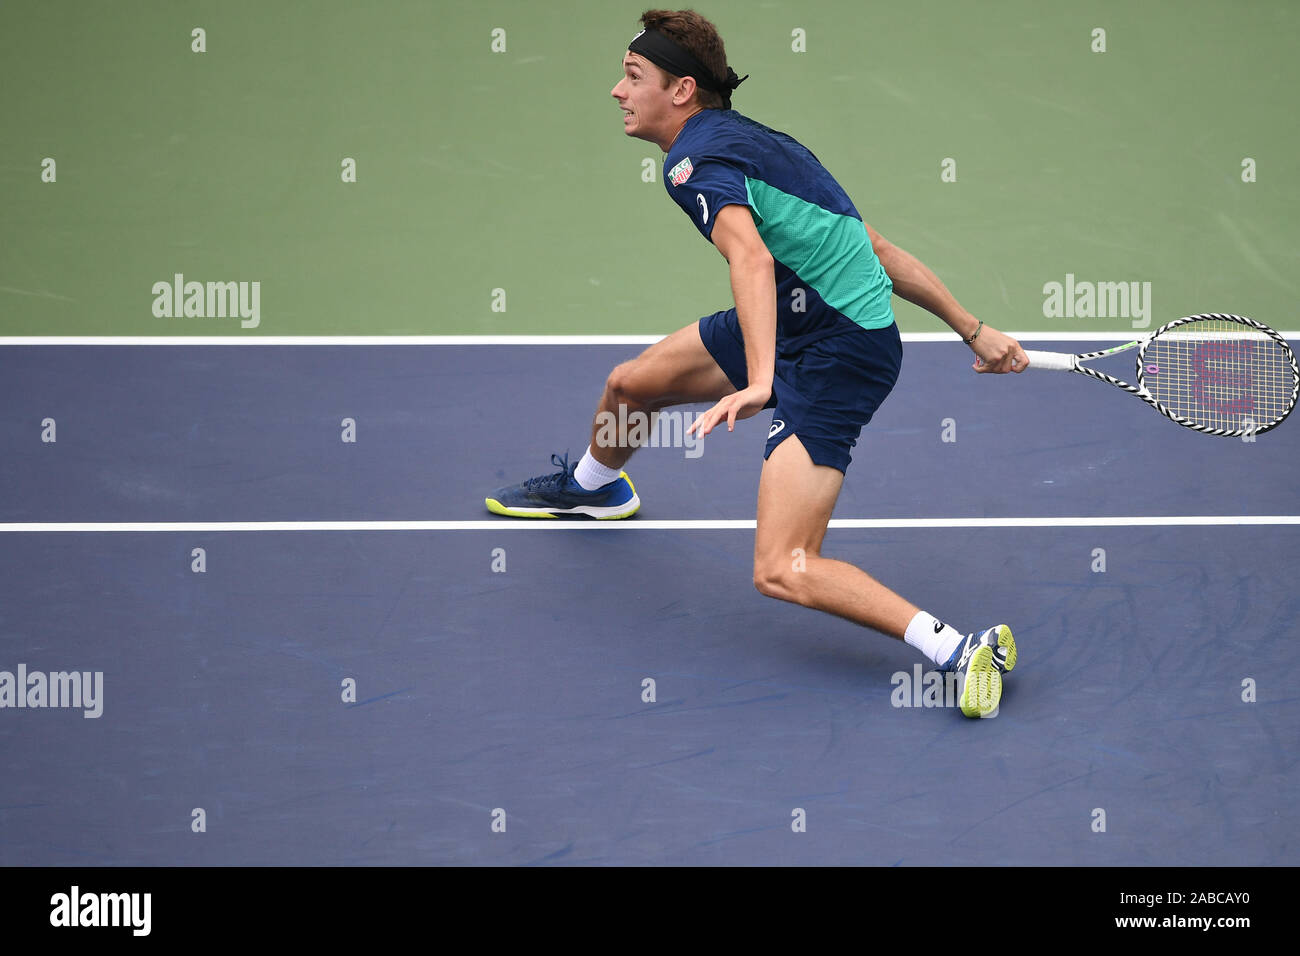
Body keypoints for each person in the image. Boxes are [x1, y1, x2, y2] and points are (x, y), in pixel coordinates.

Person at [486, 9, 1028, 717]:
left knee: (783, 568)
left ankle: (960, 649)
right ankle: (596, 488)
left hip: (841, 353)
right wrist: (972, 328)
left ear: (681, 91)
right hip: (797, 309)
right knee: (631, 386)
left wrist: (764, 381)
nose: (617, 91)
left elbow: (750, 255)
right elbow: (875, 247)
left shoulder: (697, 162)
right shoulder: (758, 144)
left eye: (632, 76)